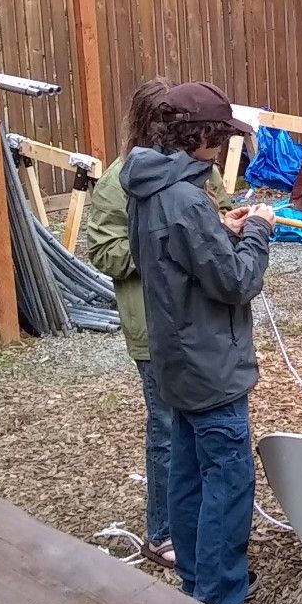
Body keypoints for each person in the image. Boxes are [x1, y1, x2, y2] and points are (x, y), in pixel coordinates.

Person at [121, 81, 292, 604]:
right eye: (219, 135)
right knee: (228, 482)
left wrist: (224, 230)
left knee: (188, 478)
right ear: (200, 137)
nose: (222, 146)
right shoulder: (188, 200)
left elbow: (181, 255)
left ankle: (199, 590)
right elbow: (237, 282)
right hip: (210, 366)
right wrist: (260, 232)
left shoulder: (148, 188)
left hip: (175, 358)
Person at [84, 77, 180, 569]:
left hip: (198, 324)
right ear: (145, 123)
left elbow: (219, 213)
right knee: (165, 427)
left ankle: (197, 517)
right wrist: (164, 244)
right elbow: (103, 251)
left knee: (203, 425)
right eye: (166, 121)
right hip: (152, 326)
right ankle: (161, 532)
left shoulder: (195, 171)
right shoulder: (115, 183)